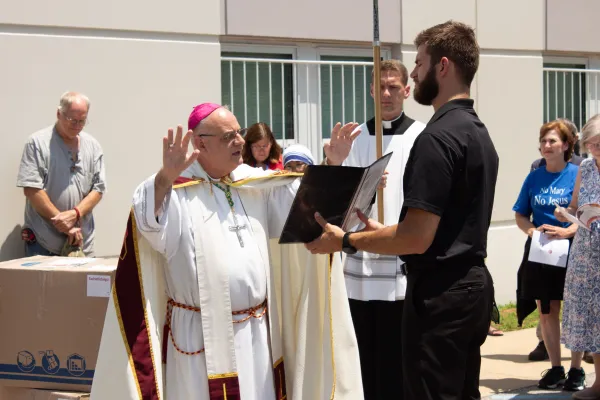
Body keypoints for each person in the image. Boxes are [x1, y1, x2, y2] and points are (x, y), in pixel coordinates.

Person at [90, 103, 364, 400]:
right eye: (228, 136)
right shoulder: (177, 191)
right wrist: (164, 178)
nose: (240, 142)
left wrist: (331, 165)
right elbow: (149, 224)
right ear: (199, 143)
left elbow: (303, 210)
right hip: (198, 340)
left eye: (239, 132)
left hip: (257, 334)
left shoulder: (252, 182)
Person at [305, 21, 498, 400]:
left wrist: (346, 239)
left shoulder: (434, 137)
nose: (415, 72)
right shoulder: (476, 130)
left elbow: (416, 236)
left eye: (420, 64)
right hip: (470, 285)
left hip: (439, 294)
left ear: (442, 67)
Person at [324, 59, 425, 399]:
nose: (386, 93)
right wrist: (338, 167)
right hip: (360, 262)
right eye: (380, 87)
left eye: (393, 86)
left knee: (397, 357)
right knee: (362, 354)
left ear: (407, 91)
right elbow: (333, 203)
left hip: (399, 258)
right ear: (370, 90)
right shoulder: (354, 139)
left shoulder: (422, 136)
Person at [513, 120, 582, 390]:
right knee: (547, 310)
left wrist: (568, 231)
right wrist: (532, 232)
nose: (546, 145)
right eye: (543, 141)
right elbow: (520, 214)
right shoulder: (533, 177)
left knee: (574, 311)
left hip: (573, 249)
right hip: (542, 252)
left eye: (552, 141)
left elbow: (586, 214)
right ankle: (556, 368)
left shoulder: (578, 174)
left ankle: (577, 371)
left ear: (566, 145)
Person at [16, 91, 106, 257]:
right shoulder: (37, 143)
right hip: (44, 243)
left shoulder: (93, 147)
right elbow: (32, 189)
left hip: (82, 242)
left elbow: (98, 189)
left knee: (82, 284)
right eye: (73, 120)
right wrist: (63, 222)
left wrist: (75, 214)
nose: (77, 125)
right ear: (59, 114)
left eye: (82, 121)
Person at [558, 114, 600, 400]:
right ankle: (599, 386)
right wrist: (567, 217)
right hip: (586, 255)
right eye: (591, 143)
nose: (595, 148)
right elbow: (576, 206)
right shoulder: (585, 167)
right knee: (591, 321)